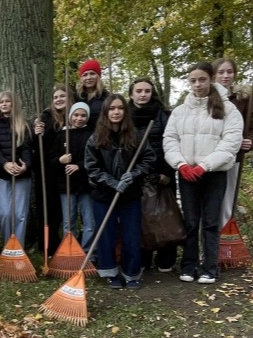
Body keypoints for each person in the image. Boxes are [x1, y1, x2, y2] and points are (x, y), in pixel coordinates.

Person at [163, 62, 243, 284]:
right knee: (190, 221)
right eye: (193, 80)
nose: (197, 84)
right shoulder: (180, 111)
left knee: (210, 221)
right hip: (187, 173)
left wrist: (204, 166)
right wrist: (181, 165)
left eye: (202, 79)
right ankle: (188, 265)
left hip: (213, 173)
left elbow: (230, 144)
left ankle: (210, 267)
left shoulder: (228, 110)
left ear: (211, 80)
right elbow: (170, 140)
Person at [85, 94, 155, 290]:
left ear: (125, 111)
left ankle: (132, 272)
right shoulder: (95, 138)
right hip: (104, 195)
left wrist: (133, 175)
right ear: (105, 113)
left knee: (131, 235)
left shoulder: (136, 136)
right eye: (111, 109)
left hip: (130, 195)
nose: (116, 112)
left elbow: (149, 159)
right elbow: (92, 168)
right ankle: (109, 271)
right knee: (106, 235)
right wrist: (112, 182)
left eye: (120, 108)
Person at [129, 77, 177, 273]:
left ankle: (166, 258)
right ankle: (143, 258)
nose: (143, 95)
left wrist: (167, 171)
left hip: (161, 173)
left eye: (147, 91)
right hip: (136, 175)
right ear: (131, 94)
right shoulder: (124, 115)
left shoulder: (164, 115)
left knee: (164, 214)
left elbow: (173, 143)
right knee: (140, 218)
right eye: (138, 91)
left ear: (152, 93)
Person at [214, 57, 253, 228]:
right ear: (213, 75)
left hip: (234, 156)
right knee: (209, 200)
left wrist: (250, 141)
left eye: (229, 72)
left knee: (228, 199)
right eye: (221, 72)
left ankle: (224, 238)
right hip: (209, 155)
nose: (226, 76)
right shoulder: (208, 97)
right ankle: (206, 241)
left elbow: (252, 127)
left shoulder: (242, 99)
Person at [0, 90, 33, 247]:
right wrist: (5, 164)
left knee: (20, 214)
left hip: (22, 174)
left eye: (7, 101)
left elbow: (27, 148)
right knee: (5, 213)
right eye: (2, 102)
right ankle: (10, 245)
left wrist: (24, 165)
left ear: (13, 103)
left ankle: (18, 248)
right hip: (2, 174)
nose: (4, 104)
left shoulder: (23, 124)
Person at [32, 83, 71, 255]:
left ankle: (68, 244)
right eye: (56, 97)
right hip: (47, 170)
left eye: (62, 96)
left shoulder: (74, 116)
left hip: (66, 170)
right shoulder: (45, 117)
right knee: (47, 208)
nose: (59, 99)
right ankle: (47, 246)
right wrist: (37, 133)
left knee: (62, 211)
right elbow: (37, 146)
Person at [53, 102, 95, 252]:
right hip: (66, 186)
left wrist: (80, 166)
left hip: (86, 186)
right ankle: (70, 251)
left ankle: (87, 253)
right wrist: (60, 160)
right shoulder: (61, 136)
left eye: (83, 115)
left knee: (89, 221)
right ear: (70, 116)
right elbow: (51, 159)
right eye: (76, 115)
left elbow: (95, 158)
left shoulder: (92, 135)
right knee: (68, 222)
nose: (79, 118)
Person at [75, 59, 109, 131]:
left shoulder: (107, 97)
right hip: (79, 137)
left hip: (99, 136)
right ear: (81, 78)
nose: (88, 77)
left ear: (98, 76)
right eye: (85, 75)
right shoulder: (75, 97)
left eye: (92, 73)